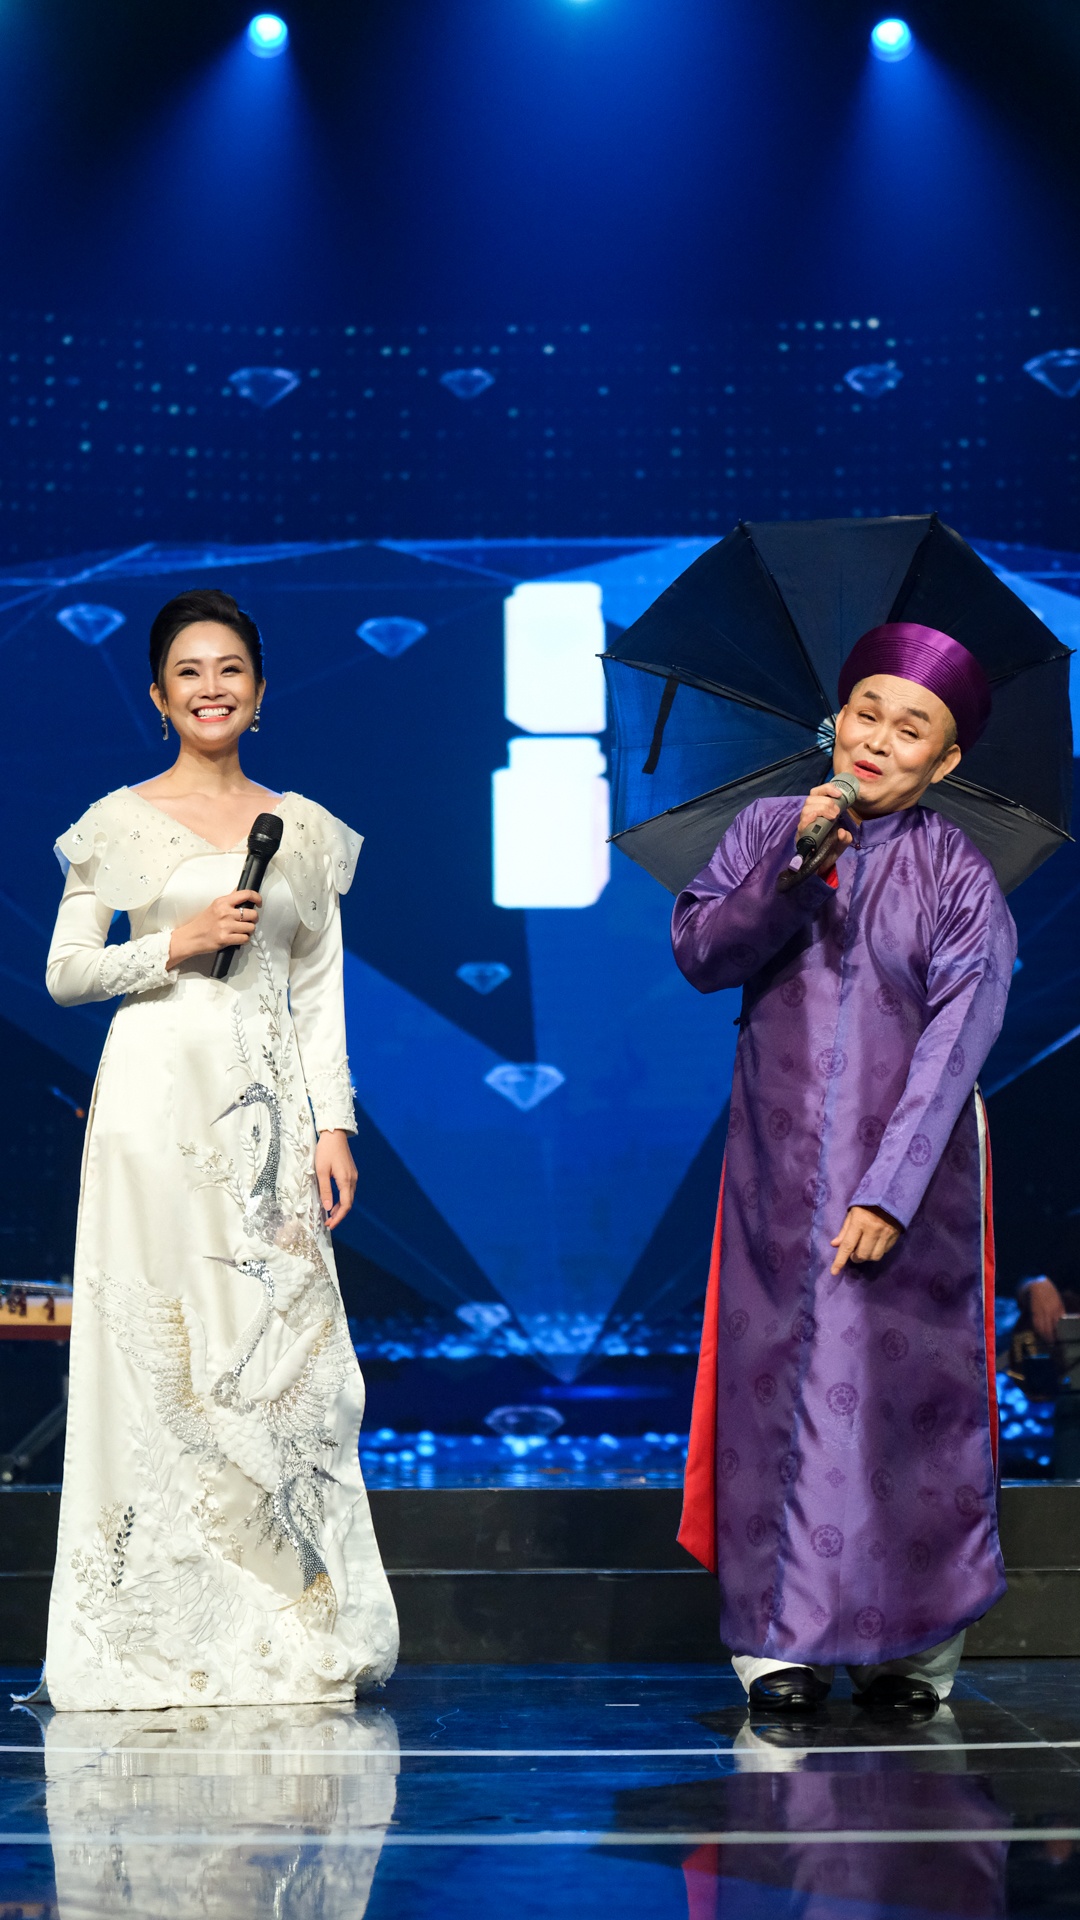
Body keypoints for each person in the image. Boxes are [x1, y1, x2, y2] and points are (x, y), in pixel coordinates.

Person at [41, 587, 398, 1711]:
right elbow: (65, 974)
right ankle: (153, 1620)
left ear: (259, 690)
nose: (212, 688)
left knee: (280, 1355)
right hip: (152, 1112)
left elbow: (318, 991)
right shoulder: (118, 822)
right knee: (162, 1357)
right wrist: (176, 944)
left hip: (267, 1114)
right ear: (158, 697)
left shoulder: (302, 829)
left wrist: (333, 1123)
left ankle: (281, 1616)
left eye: (230, 668)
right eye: (189, 672)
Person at [672, 622, 1016, 1716]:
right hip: (775, 1173)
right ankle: (777, 1639)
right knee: (778, 1389)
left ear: (944, 761)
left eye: (910, 729)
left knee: (903, 1401)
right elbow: (700, 955)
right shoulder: (770, 826)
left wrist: (888, 1191)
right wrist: (793, 872)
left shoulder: (958, 873)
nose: (878, 739)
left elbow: (960, 1038)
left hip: (913, 1184)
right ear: (837, 717)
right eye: (867, 712)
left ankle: (912, 1648)